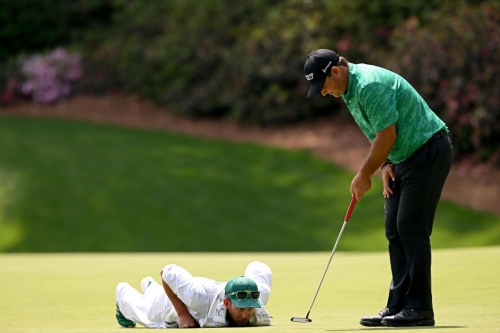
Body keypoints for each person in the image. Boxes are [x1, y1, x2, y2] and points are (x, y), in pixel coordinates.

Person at [303, 49, 453, 327]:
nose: (323, 92)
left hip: (428, 150)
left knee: (410, 226)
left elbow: (387, 134)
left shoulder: (370, 84)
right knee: (394, 228)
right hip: (403, 159)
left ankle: (420, 309)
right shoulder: (348, 91)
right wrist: (385, 165)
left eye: (323, 86)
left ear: (335, 72)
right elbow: (377, 132)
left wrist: (364, 174)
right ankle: (397, 306)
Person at [115, 261, 272, 328]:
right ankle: (122, 294)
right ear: (226, 302)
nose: (246, 315)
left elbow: (258, 266)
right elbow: (167, 272)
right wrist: (182, 314)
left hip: (187, 288)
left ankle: (148, 285)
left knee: (155, 291)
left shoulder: (258, 294)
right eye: (240, 309)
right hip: (167, 305)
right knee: (145, 311)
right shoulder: (199, 297)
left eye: (250, 309)